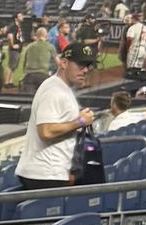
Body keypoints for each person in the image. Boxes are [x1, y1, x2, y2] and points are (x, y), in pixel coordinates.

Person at [20, 43, 98, 189]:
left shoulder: (62, 88)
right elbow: (46, 132)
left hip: (52, 173)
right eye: (80, 65)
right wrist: (80, 121)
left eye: (88, 66)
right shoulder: (53, 91)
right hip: (44, 175)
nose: (85, 70)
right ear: (63, 63)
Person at [19, 23, 55, 91]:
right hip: (43, 76)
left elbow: (24, 62)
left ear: (36, 35)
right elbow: (58, 62)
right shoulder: (50, 46)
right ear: (46, 35)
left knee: (28, 99)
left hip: (29, 76)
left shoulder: (29, 46)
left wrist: (25, 74)